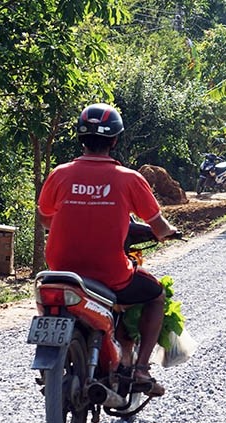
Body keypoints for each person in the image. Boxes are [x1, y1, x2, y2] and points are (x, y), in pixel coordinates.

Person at [37, 103, 178, 397]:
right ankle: (140, 369)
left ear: (81, 138)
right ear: (115, 140)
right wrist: (170, 234)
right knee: (156, 294)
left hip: (61, 271)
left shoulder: (59, 174)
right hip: (110, 275)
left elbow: (45, 218)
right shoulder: (130, 179)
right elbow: (158, 226)